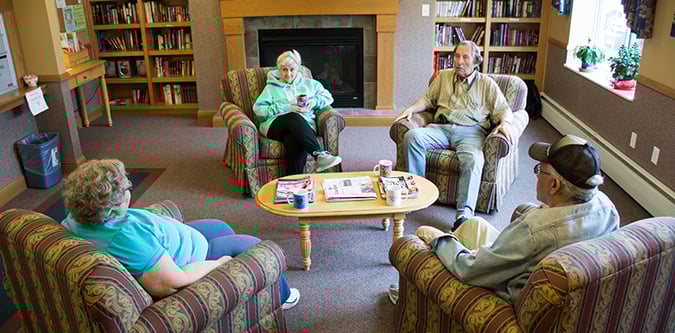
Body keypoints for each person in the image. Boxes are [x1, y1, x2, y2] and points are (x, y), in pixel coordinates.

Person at [389, 134, 620, 306]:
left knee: (425, 233)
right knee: (474, 225)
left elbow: (468, 269)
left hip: (505, 289)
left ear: (555, 184)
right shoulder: (608, 209)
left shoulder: (534, 230)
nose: (537, 175)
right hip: (535, 269)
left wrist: (442, 240)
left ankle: (411, 298)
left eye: (541, 170)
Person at [61, 159, 300, 310]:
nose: (129, 190)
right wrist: (219, 263)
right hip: (191, 258)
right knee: (255, 247)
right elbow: (172, 282)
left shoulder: (77, 218)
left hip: (176, 242)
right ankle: (283, 297)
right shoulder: (127, 239)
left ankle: (249, 287)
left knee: (221, 227)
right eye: (125, 189)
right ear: (112, 205)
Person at [393, 40, 514, 231]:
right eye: (457, 56)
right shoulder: (443, 77)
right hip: (441, 128)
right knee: (412, 136)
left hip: (471, 132)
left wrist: (505, 123)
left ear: (475, 61)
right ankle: (418, 193)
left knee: (473, 159)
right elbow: (427, 99)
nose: (459, 61)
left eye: (465, 57)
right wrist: (410, 109)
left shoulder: (486, 84)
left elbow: (504, 110)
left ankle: (464, 215)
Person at [254, 49, 342, 175]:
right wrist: (287, 107)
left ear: (298, 69)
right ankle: (319, 155)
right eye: (284, 69)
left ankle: (292, 183)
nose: (288, 74)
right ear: (279, 70)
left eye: (292, 69)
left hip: (304, 127)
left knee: (294, 140)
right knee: (293, 117)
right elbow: (259, 111)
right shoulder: (271, 88)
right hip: (275, 126)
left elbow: (328, 97)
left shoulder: (310, 84)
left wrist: (314, 102)